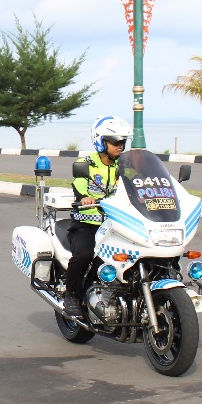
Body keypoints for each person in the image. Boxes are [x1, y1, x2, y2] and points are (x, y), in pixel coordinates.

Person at [63, 116, 131, 318]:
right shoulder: (86, 163)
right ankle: (71, 295)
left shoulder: (125, 165)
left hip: (115, 223)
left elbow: (140, 182)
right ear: (101, 141)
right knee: (84, 254)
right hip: (87, 222)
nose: (120, 145)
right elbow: (80, 183)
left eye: (123, 141)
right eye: (115, 141)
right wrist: (85, 197)